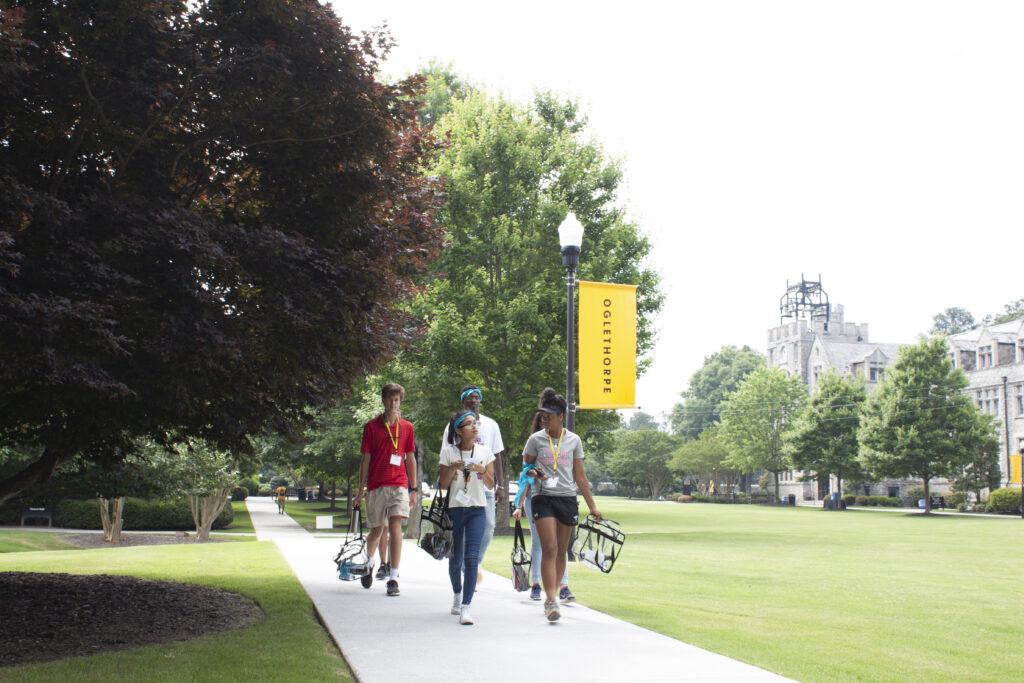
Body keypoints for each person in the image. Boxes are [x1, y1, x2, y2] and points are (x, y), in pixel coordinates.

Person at [521, 387, 600, 622]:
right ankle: (550, 600)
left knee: (561, 550)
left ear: (560, 416)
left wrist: (592, 506)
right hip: (542, 497)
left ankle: (554, 593)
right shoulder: (535, 440)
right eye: (542, 416)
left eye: (549, 416)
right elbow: (526, 469)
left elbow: (580, 476)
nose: (544, 419)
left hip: (567, 498)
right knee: (550, 547)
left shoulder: (574, 440)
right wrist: (535, 473)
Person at [353, 383, 417, 597]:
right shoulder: (371, 427)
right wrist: (360, 491)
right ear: (383, 400)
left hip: (399, 484)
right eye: (390, 399)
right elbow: (365, 459)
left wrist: (414, 488)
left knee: (395, 526)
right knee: (377, 529)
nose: (393, 403)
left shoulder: (407, 427)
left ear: (400, 402)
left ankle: (393, 577)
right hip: (376, 485)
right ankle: (370, 562)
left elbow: (410, 458)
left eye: (396, 399)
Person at [440, 385, 504, 584]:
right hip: (460, 487)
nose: (474, 400)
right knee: (461, 534)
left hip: (483, 486)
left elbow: (497, 455)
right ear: (463, 401)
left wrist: (500, 485)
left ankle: (474, 562)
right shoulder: (453, 426)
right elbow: (447, 454)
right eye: (470, 397)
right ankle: (467, 568)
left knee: (489, 526)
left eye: (477, 397)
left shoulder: (491, 425)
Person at [439, 409, 495, 625]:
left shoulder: (485, 452)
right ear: (459, 431)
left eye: (475, 423)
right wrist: (453, 468)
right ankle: (457, 594)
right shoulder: (449, 453)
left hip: (477, 510)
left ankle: (466, 607)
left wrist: (482, 470)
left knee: (472, 558)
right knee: (456, 559)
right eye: (469, 424)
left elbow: (490, 484)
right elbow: (443, 484)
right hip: (455, 510)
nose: (475, 427)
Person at [512, 409, 572, 603]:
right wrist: (519, 505)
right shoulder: (534, 443)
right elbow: (525, 479)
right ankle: (536, 583)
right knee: (540, 543)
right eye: (542, 420)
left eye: (548, 419)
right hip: (535, 499)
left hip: (558, 498)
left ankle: (563, 586)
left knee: (560, 546)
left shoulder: (564, 443)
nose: (545, 424)